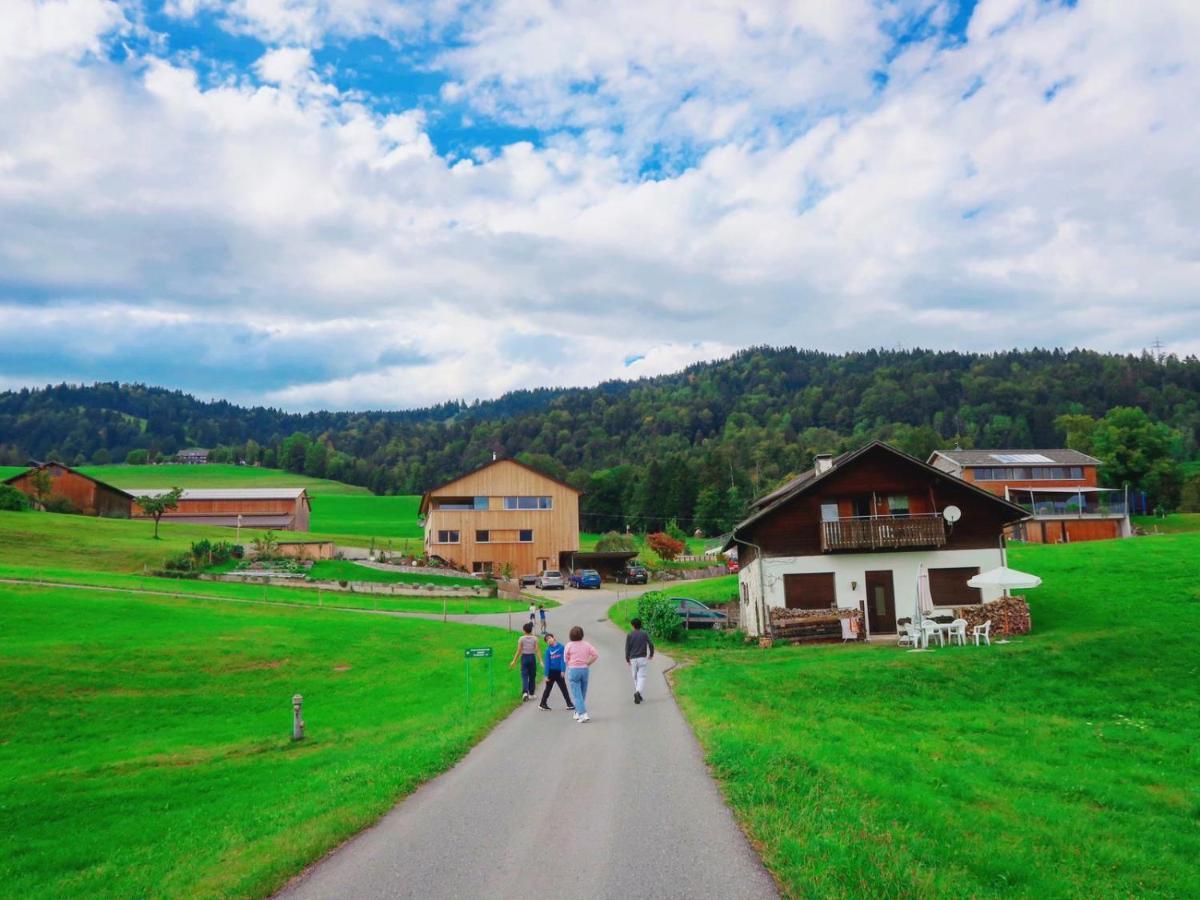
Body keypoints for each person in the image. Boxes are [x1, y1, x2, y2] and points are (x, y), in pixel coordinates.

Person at [564, 625, 599, 723]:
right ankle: (577, 712)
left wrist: (570, 665)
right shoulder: (587, 644)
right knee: (582, 692)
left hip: (573, 669)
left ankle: (583, 713)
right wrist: (588, 663)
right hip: (584, 669)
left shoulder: (569, 645)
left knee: (576, 694)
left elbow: (565, 659)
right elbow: (595, 654)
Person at [538, 633, 573, 711]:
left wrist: (563, 670)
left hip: (559, 672)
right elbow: (547, 663)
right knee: (548, 688)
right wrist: (546, 675)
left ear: (554, 638)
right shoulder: (548, 650)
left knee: (564, 688)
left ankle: (569, 704)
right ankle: (542, 703)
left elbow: (563, 660)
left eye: (550, 638)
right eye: (547, 640)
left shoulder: (561, 648)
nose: (549, 640)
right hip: (551, 672)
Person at [625, 617, 655, 704]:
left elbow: (627, 648)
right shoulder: (644, 633)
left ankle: (638, 694)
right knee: (641, 676)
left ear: (632, 625)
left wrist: (627, 658)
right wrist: (651, 654)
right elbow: (651, 644)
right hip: (642, 658)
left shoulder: (630, 634)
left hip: (633, 658)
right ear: (640, 625)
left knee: (635, 677)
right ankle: (638, 693)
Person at [508, 622, 539, 701]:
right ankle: (531, 693)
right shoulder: (535, 638)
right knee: (532, 675)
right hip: (532, 657)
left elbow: (519, 650)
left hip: (524, 657)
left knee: (524, 675)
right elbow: (537, 650)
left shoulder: (521, 639)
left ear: (524, 630)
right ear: (531, 630)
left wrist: (514, 660)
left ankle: (525, 692)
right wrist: (540, 660)